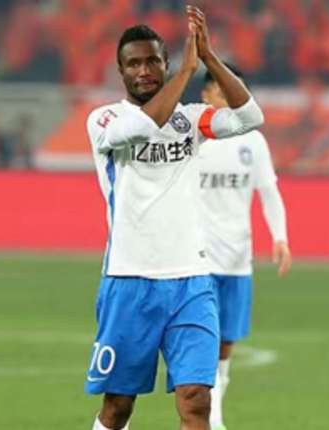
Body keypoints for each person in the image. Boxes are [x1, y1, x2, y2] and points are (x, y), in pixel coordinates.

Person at [85, 6, 264, 430]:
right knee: (118, 407)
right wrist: (186, 71)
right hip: (130, 279)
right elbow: (146, 125)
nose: (144, 70)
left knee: (196, 401)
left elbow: (251, 117)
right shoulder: (106, 120)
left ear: (164, 63)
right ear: (120, 71)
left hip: (191, 281)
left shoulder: (192, 120)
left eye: (153, 61)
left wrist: (210, 58)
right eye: (134, 63)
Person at [198, 65, 291, 430]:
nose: (229, 96)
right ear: (206, 94)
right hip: (198, 257)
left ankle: (216, 403)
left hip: (238, 258)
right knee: (203, 340)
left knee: (226, 344)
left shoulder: (252, 141)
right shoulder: (195, 138)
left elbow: (268, 192)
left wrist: (280, 237)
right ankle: (211, 417)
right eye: (222, 90)